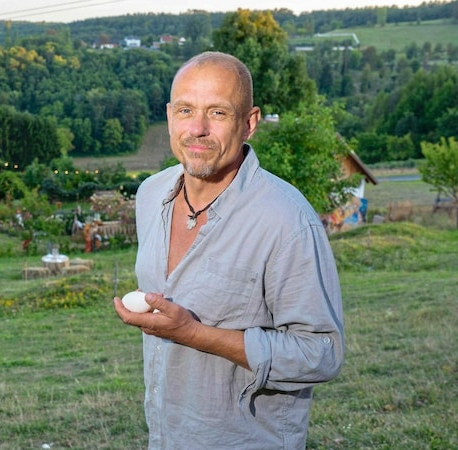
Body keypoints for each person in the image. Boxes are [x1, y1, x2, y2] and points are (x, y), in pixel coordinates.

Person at [113, 52, 345, 449]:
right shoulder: (150, 195)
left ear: (249, 123)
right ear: (170, 116)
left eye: (218, 113)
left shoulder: (286, 221)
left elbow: (320, 354)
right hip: (167, 436)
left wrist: (194, 333)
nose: (197, 129)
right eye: (186, 110)